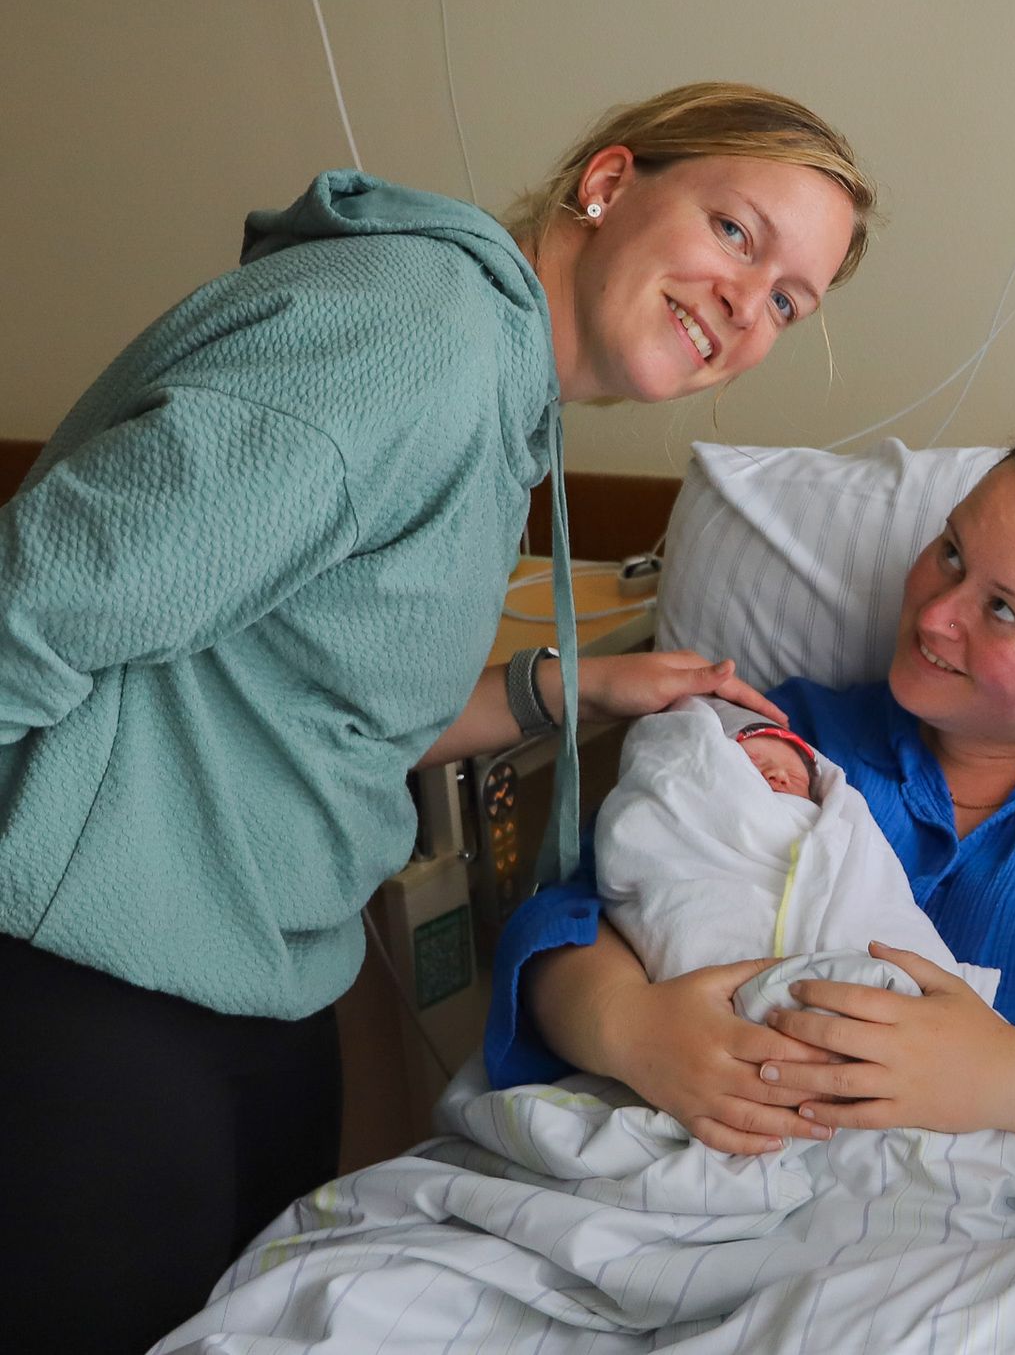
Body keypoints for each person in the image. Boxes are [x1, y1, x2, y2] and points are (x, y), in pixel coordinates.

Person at [0, 80, 874, 1349]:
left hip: (237, 971)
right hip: (82, 961)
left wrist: (563, 691)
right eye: (736, 232)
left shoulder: (498, 394)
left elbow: (324, 705)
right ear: (609, 182)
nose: (749, 305)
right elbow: (35, 602)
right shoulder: (417, 343)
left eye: (790, 300)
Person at [490, 418, 1015, 1189]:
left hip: (1007, 1233)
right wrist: (632, 1026)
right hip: (703, 1180)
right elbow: (575, 911)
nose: (937, 614)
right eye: (952, 553)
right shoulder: (783, 736)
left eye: (1002, 609)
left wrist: (1008, 1075)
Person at [592, 693, 1002, 1027]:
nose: (779, 776)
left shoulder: (842, 825)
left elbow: (877, 896)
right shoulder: (789, 716)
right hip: (702, 1021)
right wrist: (628, 1021)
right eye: (754, 765)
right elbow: (581, 905)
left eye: (798, 776)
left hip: (908, 1019)